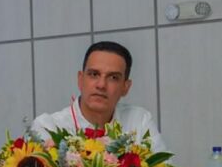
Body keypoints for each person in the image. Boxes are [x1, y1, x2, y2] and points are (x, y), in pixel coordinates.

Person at [31, 41, 167, 153]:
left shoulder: (139, 121)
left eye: (113, 77)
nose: (101, 85)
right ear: (80, 79)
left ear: (126, 87)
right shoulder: (48, 126)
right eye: (94, 74)